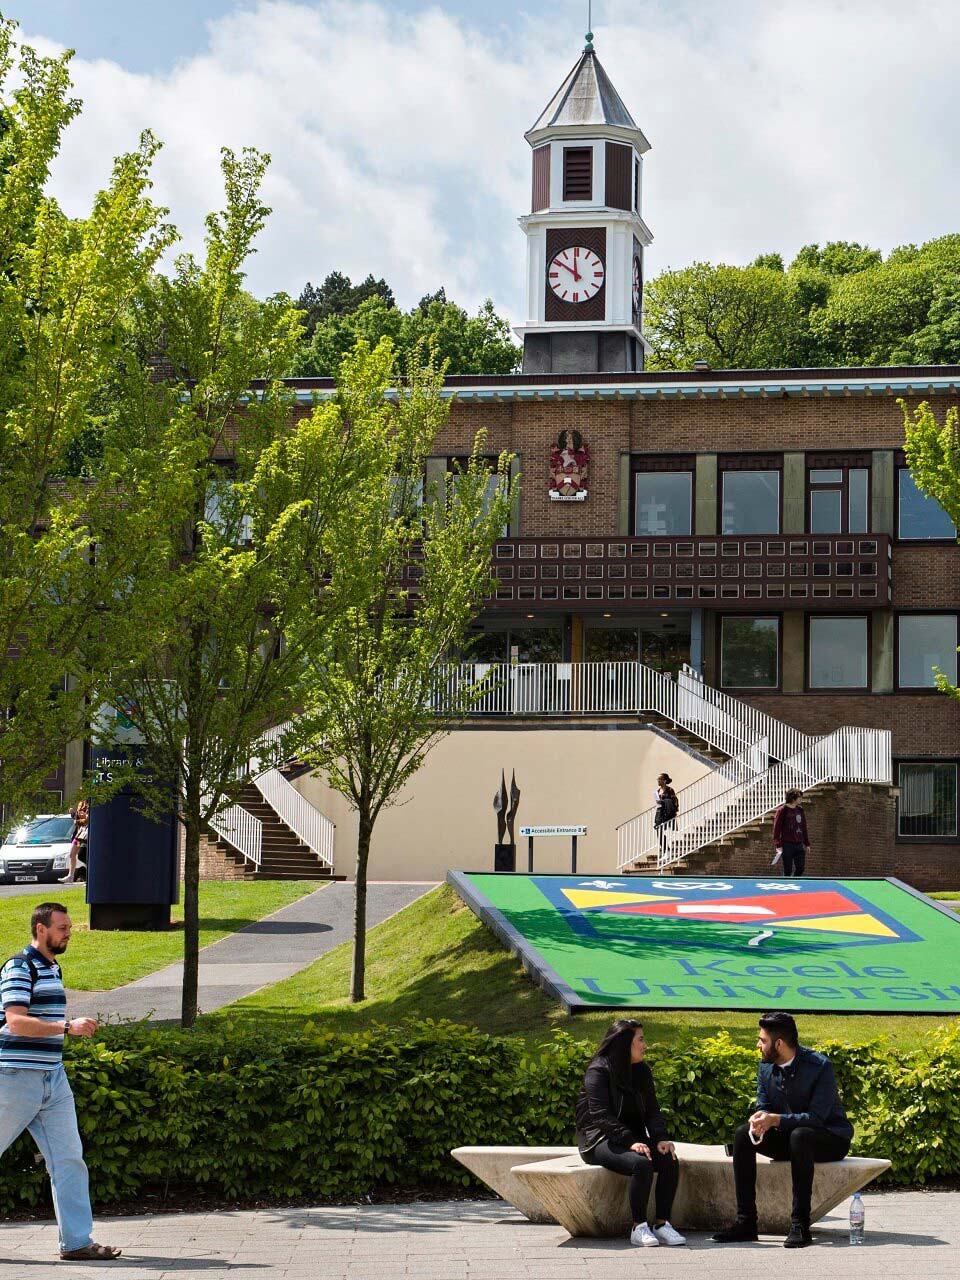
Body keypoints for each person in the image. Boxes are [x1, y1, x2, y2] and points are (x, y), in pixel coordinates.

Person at [0, 903, 121, 1262]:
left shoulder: (52, 967)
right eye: (62, 927)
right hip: (14, 1078)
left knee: (69, 1160)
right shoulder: (19, 967)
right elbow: (16, 1022)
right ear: (41, 929)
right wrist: (67, 1027)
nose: (69, 932)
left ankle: (77, 1242)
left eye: (68, 926)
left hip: (53, 1079)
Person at [712, 1012, 853, 1249]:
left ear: (779, 1044)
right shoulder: (766, 1066)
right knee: (742, 1135)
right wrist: (760, 1119)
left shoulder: (819, 1066)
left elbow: (817, 1119)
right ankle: (746, 1222)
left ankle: (800, 1225)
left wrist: (776, 1120)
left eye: (762, 1040)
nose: (758, 1045)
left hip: (829, 1138)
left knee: (801, 1135)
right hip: (791, 1138)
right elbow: (764, 1105)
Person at [575, 1018, 686, 1248]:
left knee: (668, 1159)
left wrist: (660, 1138)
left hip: (631, 1137)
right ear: (625, 1043)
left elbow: (653, 1111)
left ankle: (662, 1224)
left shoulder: (642, 1071)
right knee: (641, 1164)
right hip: (600, 1139)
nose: (645, 1045)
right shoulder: (599, 1070)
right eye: (641, 1040)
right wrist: (630, 1142)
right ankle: (639, 1227)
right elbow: (601, 1116)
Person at [771, 789, 809, 876]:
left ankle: (795, 882)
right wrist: (778, 845)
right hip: (787, 844)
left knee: (801, 868)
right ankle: (788, 886)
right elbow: (777, 828)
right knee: (787, 870)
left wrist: (806, 843)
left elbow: (803, 827)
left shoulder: (800, 810)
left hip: (799, 844)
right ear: (793, 798)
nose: (801, 799)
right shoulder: (782, 810)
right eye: (799, 797)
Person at [60, 796, 88, 885]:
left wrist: (78, 820)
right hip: (80, 834)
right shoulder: (81, 803)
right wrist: (73, 814)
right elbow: (77, 817)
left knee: (83, 855)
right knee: (72, 854)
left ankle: (89, 877)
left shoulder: (91, 802)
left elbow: (87, 820)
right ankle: (70, 876)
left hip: (86, 834)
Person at [654, 773, 679, 854]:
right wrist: (659, 802)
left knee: (665, 831)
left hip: (667, 813)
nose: (658, 781)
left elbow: (674, 801)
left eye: (660, 779)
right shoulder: (657, 791)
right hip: (660, 813)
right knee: (659, 832)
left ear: (664, 781)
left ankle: (668, 851)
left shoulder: (670, 790)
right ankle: (666, 850)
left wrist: (664, 801)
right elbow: (658, 804)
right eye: (658, 779)